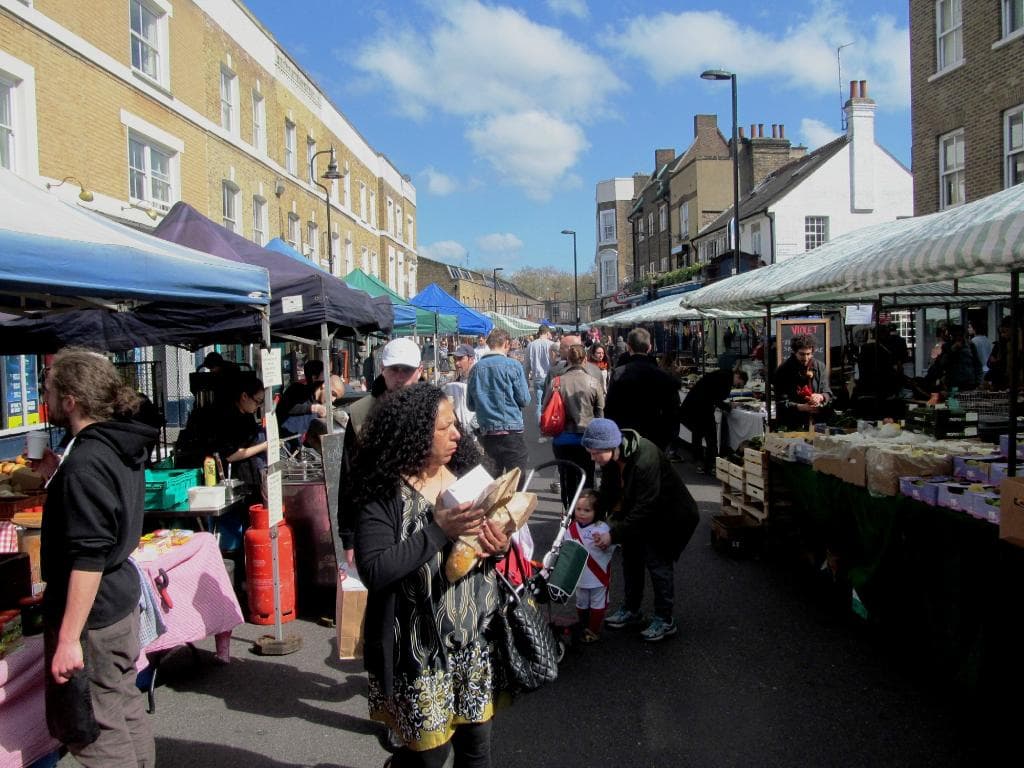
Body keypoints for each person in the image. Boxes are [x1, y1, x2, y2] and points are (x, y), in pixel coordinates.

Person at [350, 383, 509, 766]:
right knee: (429, 757)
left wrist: (499, 544)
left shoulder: (468, 475)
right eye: (444, 428)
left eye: (456, 425)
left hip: (473, 641)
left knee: (477, 749)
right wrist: (439, 531)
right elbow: (374, 570)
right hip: (419, 652)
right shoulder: (386, 491)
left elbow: (490, 549)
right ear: (414, 432)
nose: (457, 434)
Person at [38, 348, 156, 766]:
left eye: (49, 389)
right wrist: (58, 475)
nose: (44, 397)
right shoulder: (114, 444)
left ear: (71, 401)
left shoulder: (88, 459)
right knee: (123, 704)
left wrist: (69, 639)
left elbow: (88, 556)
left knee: (94, 728)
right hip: (118, 598)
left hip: (97, 611)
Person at [583, 418, 699, 642]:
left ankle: (665, 620)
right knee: (631, 557)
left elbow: (647, 506)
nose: (592, 458)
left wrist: (613, 533)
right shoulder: (610, 460)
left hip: (669, 515)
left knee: (658, 563)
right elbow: (608, 494)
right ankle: (631, 610)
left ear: (610, 446)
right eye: (590, 452)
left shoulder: (646, 458)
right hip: (640, 511)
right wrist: (592, 518)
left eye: (595, 452)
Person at [541, 343, 604, 507]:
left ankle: (568, 511)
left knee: (566, 477)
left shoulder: (557, 382)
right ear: (584, 360)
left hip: (562, 438)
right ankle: (586, 513)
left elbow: (544, 406)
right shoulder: (593, 382)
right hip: (586, 438)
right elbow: (600, 413)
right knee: (587, 476)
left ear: (567, 360)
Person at [466, 328, 531, 482]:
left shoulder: (475, 369)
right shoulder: (513, 365)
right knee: (515, 481)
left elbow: (470, 405)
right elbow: (525, 400)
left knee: (492, 482)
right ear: (506, 344)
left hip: (487, 432)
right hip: (511, 430)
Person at [604, 327, 681, 451]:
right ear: (649, 347)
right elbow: (672, 411)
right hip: (655, 439)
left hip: (627, 438)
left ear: (628, 347)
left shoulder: (620, 373)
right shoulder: (662, 376)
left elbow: (610, 408)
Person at [565, 489, 614, 644]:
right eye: (578, 509)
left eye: (587, 510)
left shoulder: (603, 528)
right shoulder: (571, 528)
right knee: (581, 603)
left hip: (598, 577)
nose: (581, 513)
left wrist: (604, 543)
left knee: (597, 604)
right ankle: (584, 626)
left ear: (596, 511)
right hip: (579, 576)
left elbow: (611, 547)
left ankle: (593, 630)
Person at [679, 368, 748, 474]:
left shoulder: (723, 375)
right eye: (739, 384)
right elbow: (714, 397)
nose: (736, 386)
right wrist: (728, 406)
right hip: (701, 408)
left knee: (699, 435)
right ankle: (708, 465)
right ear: (738, 377)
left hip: (696, 406)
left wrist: (726, 405)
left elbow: (713, 395)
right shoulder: (725, 378)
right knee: (710, 437)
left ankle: (701, 463)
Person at [349, 337, 423, 435]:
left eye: (407, 369)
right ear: (383, 370)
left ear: (420, 371)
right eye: (394, 369)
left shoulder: (438, 408)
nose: (400, 378)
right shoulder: (360, 412)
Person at [773, 334, 833, 430]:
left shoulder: (820, 366)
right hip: (792, 424)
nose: (805, 358)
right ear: (794, 352)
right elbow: (781, 402)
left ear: (812, 352)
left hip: (818, 422)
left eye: (808, 354)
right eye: (802, 354)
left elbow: (828, 392)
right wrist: (802, 407)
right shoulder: (783, 370)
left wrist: (821, 396)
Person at [275, 359, 327, 441]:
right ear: (314, 377)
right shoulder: (296, 389)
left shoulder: (316, 394)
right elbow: (289, 407)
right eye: (324, 375)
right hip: (289, 440)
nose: (327, 378)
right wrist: (315, 408)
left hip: (307, 441)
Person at [525, 324, 557, 439]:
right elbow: (556, 362)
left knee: (539, 403)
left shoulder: (531, 345)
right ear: (547, 332)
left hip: (537, 377)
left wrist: (526, 379)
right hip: (550, 377)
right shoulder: (551, 344)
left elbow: (527, 363)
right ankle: (549, 425)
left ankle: (541, 427)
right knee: (550, 402)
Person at [442, 343, 478, 437]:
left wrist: (469, 429)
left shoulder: (479, 380)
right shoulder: (457, 378)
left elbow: (484, 408)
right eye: (455, 359)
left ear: (471, 359)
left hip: (476, 436)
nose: (457, 363)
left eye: (460, 359)